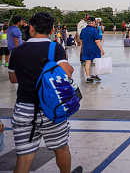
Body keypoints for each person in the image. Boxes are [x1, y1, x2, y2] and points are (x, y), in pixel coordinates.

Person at [8, 12, 82, 173]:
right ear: (51, 30)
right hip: (49, 109)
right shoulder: (54, 47)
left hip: (23, 109)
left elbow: (13, 79)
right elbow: (67, 72)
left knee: (24, 156)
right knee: (61, 149)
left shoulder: (17, 51)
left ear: (31, 28)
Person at [80, 16, 104, 83]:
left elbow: (81, 40)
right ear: (93, 22)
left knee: (88, 62)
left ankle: (88, 77)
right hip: (94, 49)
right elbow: (97, 41)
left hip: (86, 49)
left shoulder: (83, 30)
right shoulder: (94, 30)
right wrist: (101, 49)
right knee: (97, 61)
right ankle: (94, 74)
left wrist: (82, 48)